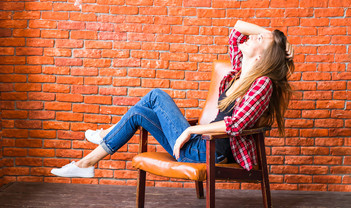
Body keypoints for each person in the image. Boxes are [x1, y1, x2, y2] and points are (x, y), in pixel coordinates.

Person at [51, 20, 294, 178]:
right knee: (138, 113)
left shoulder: (262, 83)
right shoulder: (240, 72)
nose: (252, 37)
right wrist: (268, 36)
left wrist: (190, 131)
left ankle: (104, 138)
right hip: (198, 145)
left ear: (263, 58)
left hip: (207, 150)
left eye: (259, 39)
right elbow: (237, 30)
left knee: (156, 95)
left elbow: (236, 125)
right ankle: (87, 162)